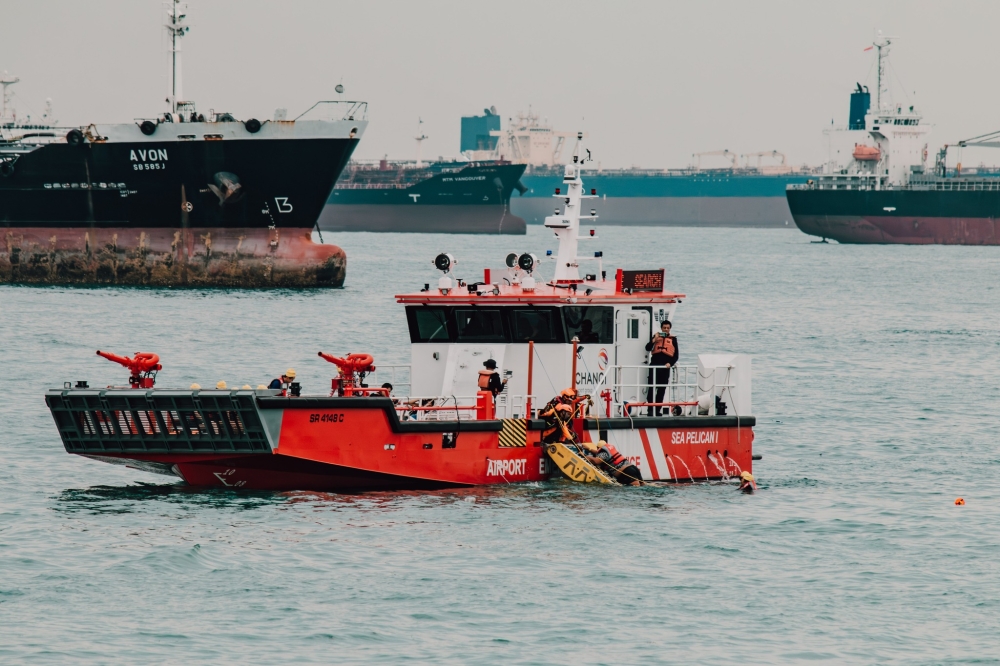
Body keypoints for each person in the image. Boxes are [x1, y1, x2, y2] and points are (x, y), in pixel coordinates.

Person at [645, 320, 678, 416]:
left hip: (665, 368)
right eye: (664, 328)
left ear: (670, 329)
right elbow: (647, 348)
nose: (666, 329)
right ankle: (650, 410)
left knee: (661, 389)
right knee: (651, 388)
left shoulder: (673, 340)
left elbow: (676, 356)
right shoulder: (656, 337)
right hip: (654, 366)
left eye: (668, 328)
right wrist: (654, 340)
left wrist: (670, 363)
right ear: (661, 328)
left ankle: (657, 410)